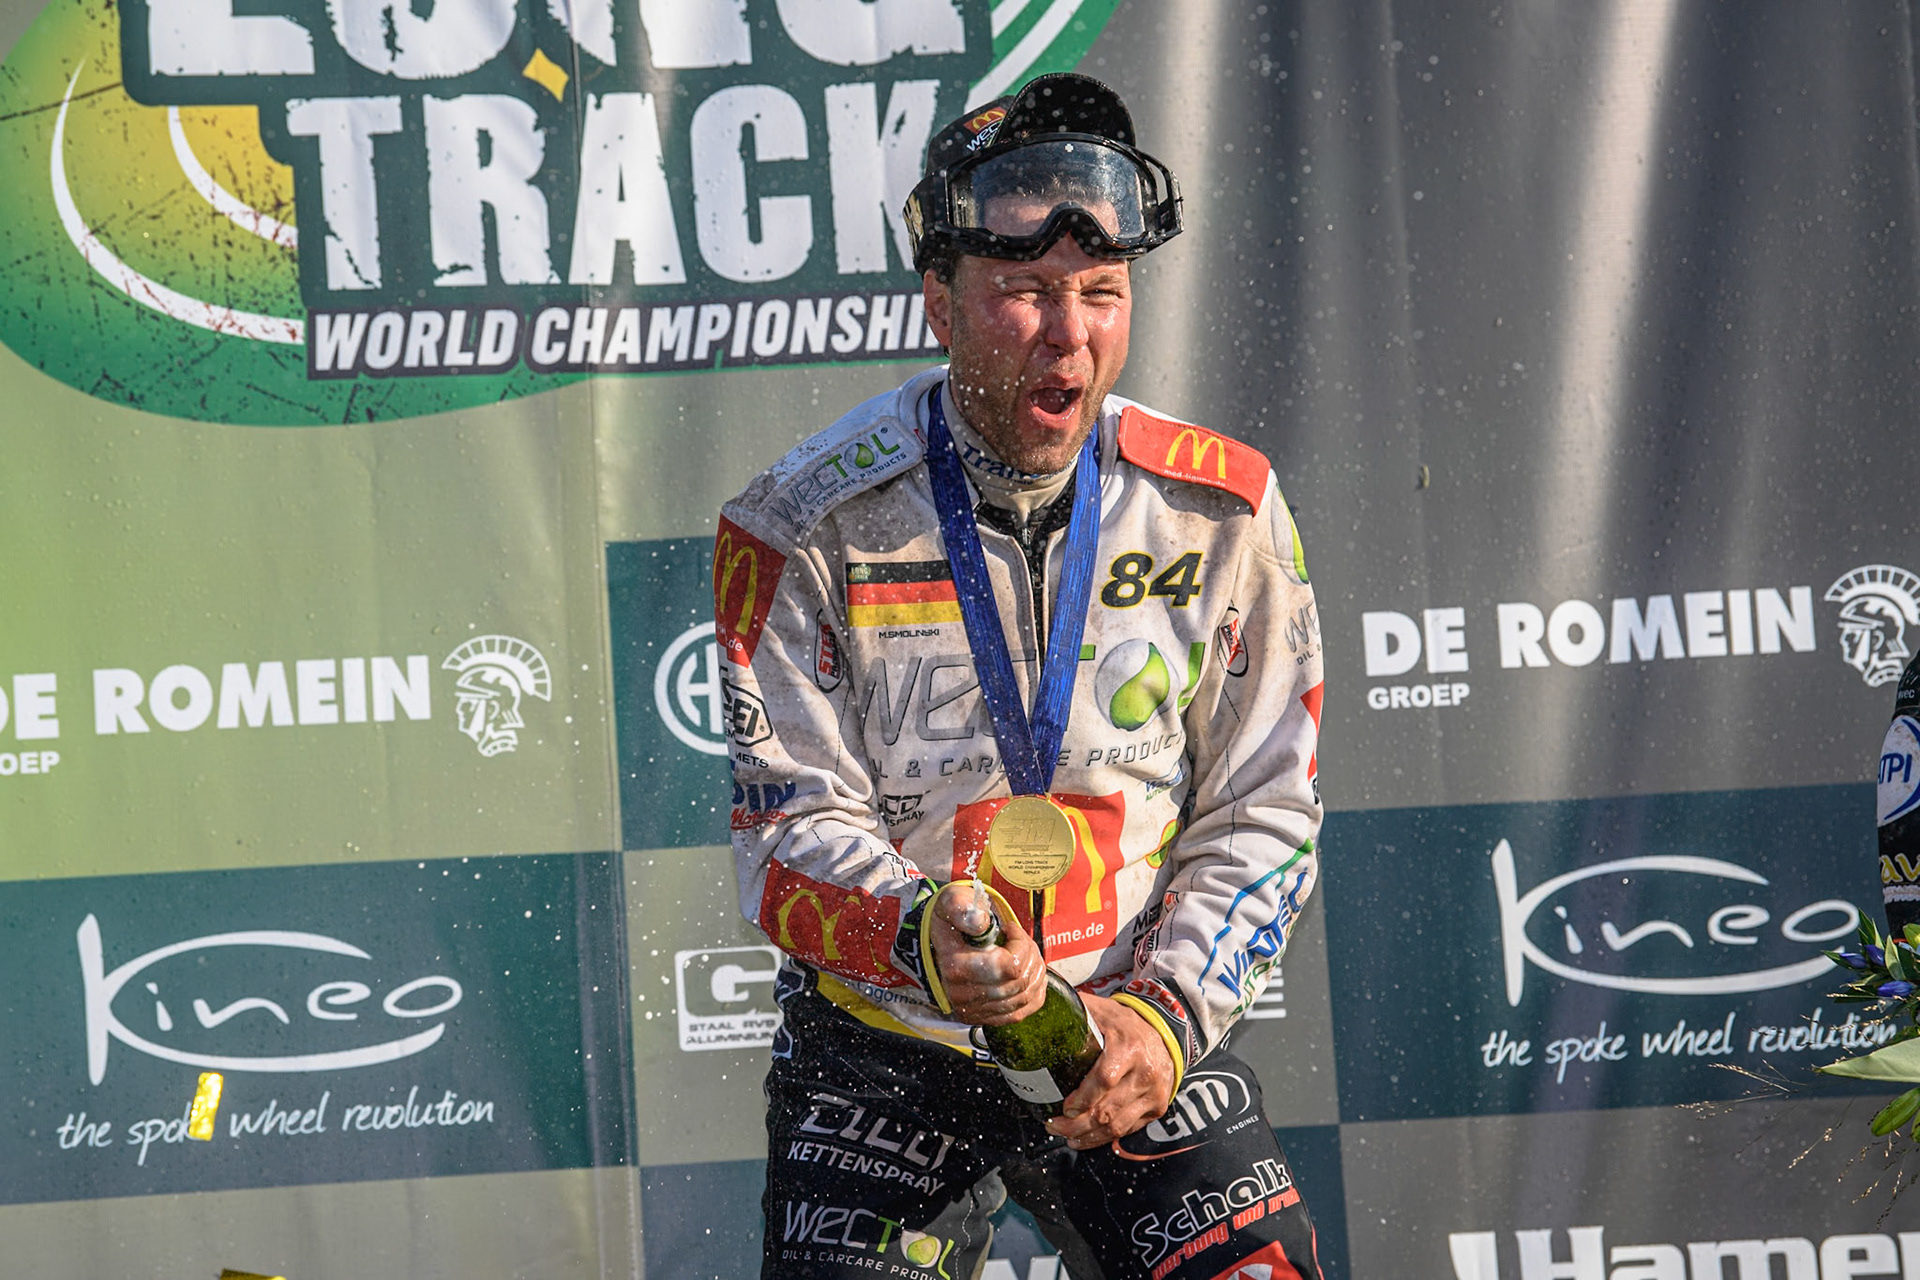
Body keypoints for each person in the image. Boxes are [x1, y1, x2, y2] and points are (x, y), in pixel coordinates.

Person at [714, 72, 1326, 1280]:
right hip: (889, 1039)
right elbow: (785, 835)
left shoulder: (1224, 506)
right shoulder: (796, 523)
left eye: (1102, 292)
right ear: (939, 301)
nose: (1072, 334)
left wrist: (1164, 1017)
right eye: (1027, 294)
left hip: (1121, 1021)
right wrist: (919, 934)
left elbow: (1268, 806)